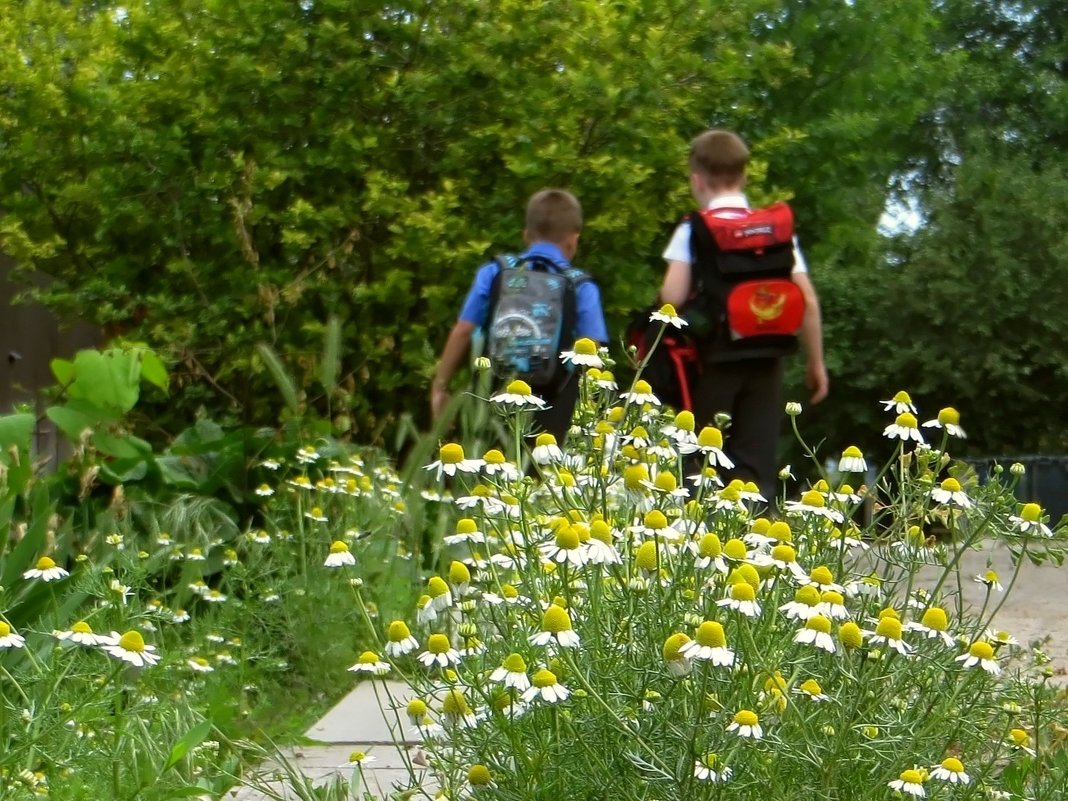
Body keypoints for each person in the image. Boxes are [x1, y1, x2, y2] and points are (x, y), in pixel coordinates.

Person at [659, 129, 829, 499]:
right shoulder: (776, 230)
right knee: (754, 465)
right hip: (769, 358)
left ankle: (699, 539)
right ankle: (754, 540)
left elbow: (670, 296)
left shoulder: (694, 229)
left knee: (702, 459)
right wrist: (816, 363)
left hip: (714, 360)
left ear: (696, 179)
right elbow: (808, 302)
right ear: (745, 176)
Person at [431, 188, 608, 442]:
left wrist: (440, 386)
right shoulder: (581, 286)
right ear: (574, 239)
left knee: (484, 474)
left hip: (491, 401)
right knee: (540, 477)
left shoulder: (494, 272)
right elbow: (592, 352)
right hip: (552, 410)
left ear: (526, 235)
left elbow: (463, 330)